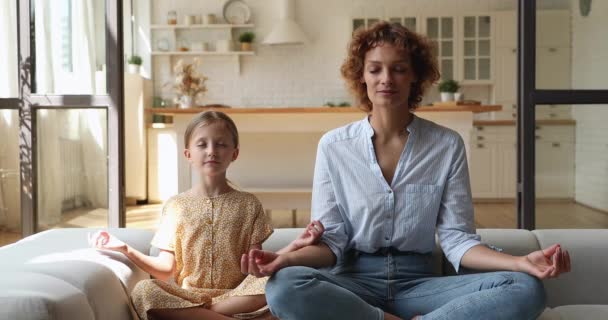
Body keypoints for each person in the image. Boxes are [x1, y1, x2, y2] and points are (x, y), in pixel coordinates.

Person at [242, 22, 571, 320]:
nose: (386, 79)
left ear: (415, 76)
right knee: (284, 286)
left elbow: (457, 240)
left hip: (421, 284)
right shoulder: (333, 146)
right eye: (376, 69)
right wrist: (285, 259)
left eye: (398, 69)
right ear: (362, 76)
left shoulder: (446, 145)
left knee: (526, 288)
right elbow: (332, 242)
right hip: (351, 284)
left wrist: (520, 262)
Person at [91, 111, 325, 320]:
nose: (212, 151)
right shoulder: (175, 206)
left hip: (237, 297)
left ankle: (203, 316)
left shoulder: (249, 204)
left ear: (234, 153)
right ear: (188, 154)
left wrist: (296, 244)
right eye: (202, 144)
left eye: (221, 144)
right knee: (144, 291)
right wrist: (125, 249)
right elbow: (165, 269)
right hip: (189, 297)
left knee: (283, 279)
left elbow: (260, 265)